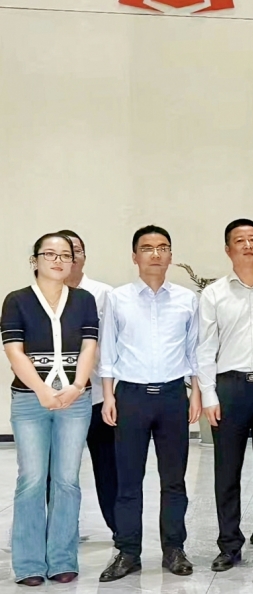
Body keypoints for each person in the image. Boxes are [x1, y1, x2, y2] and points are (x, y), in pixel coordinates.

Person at [98, 225, 201, 582]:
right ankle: (128, 552)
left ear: (170, 255)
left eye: (162, 247)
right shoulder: (117, 298)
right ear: (135, 256)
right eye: (147, 248)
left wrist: (196, 393)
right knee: (128, 481)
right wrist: (108, 396)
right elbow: (107, 350)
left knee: (174, 480)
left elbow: (194, 350)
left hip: (173, 396)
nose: (155, 254)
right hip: (131, 397)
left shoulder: (187, 299)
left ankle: (174, 549)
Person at [2, 233, 98, 586]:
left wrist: (76, 387)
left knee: (67, 480)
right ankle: (28, 563)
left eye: (65, 255)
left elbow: (89, 347)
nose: (58, 261)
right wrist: (42, 390)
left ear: (74, 261)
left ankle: (61, 559)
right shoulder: (17, 300)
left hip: (75, 401)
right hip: (30, 401)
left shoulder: (84, 300)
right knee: (31, 479)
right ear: (35, 260)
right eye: (50, 254)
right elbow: (14, 351)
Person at [197, 219, 253, 572]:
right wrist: (208, 394)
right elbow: (205, 348)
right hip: (230, 389)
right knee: (226, 471)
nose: (248, 245)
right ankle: (229, 544)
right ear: (228, 249)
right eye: (240, 240)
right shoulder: (214, 294)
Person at [57, 229, 116, 540]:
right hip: (55, 398)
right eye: (62, 252)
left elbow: (113, 346)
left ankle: (121, 533)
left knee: (109, 469)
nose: (70, 257)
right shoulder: (41, 295)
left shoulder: (104, 294)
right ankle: (60, 531)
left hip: (96, 397)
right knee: (59, 471)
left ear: (83, 256)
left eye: (75, 250)